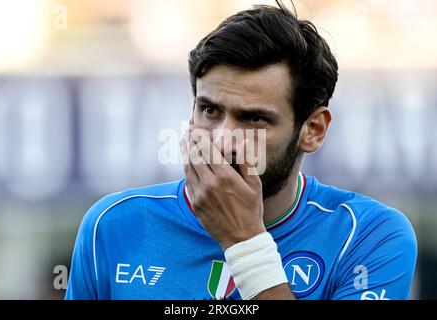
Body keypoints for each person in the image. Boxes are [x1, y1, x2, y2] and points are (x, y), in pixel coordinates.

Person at [66, 1, 417, 300]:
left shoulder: (371, 235)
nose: (223, 140)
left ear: (313, 130)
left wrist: (244, 240)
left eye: (254, 118)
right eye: (210, 110)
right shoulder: (112, 225)